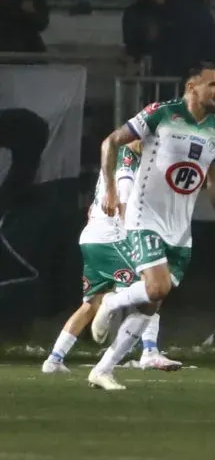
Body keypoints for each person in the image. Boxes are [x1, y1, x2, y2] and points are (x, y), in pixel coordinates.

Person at [87, 64, 215, 391]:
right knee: (157, 288)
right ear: (192, 86)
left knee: (150, 303)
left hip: (180, 228)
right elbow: (111, 142)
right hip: (144, 217)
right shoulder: (161, 114)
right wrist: (111, 188)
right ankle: (111, 303)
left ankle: (103, 370)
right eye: (212, 84)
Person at [41, 141, 181, 374]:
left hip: (92, 238)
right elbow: (124, 201)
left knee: (90, 304)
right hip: (111, 239)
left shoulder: (123, 159)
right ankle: (149, 352)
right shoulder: (126, 163)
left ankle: (54, 359)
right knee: (153, 287)